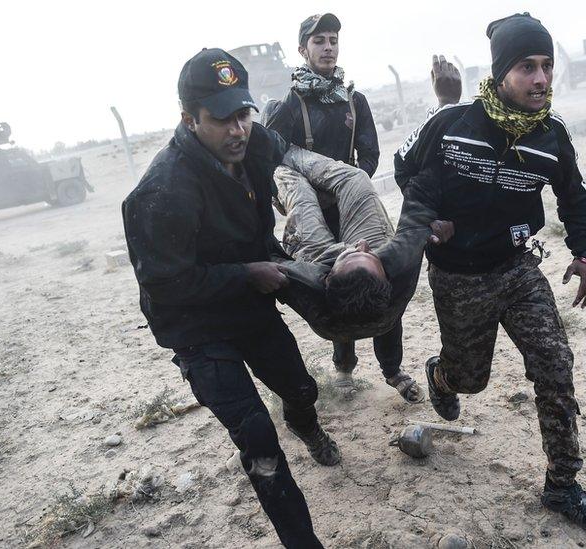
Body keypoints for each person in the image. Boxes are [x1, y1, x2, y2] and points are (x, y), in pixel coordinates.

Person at [393, 14, 586, 535]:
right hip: (458, 278)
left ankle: (563, 484)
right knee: (471, 380)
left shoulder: (551, 135)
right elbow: (406, 170)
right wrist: (430, 221)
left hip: (519, 269)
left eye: (547, 66)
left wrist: (584, 253)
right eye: (526, 67)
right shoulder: (451, 123)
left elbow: (574, 197)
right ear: (500, 74)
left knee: (555, 365)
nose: (541, 79)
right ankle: (441, 374)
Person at [122, 48, 334, 548]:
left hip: (249, 307)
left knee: (301, 389)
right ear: (189, 119)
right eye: (222, 119)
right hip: (196, 329)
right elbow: (165, 285)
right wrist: (247, 273)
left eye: (243, 114)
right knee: (258, 438)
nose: (238, 129)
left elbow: (293, 168)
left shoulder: (252, 144)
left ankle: (309, 428)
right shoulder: (162, 190)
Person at [270, 147, 453, 403]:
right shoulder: (399, 264)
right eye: (362, 251)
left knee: (299, 192)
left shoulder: (306, 282)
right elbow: (417, 216)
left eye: (358, 251)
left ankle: (279, 152)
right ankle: (367, 370)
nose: (360, 243)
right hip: (363, 271)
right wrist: (437, 223)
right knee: (355, 179)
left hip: (320, 260)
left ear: (326, 279)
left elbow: (269, 259)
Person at [266, 12, 387, 398]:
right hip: (312, 214)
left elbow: (369, 155)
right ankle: (344, 369)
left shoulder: (354, 100)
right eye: (319, 41)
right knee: (333, 289)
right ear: (303, 50)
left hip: (346, 209)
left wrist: (346, 185)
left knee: (375, 279)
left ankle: (392, 368)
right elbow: (273, 159)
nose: (328, 47)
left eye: (333, 39)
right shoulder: (288, 105)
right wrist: (304, 197)